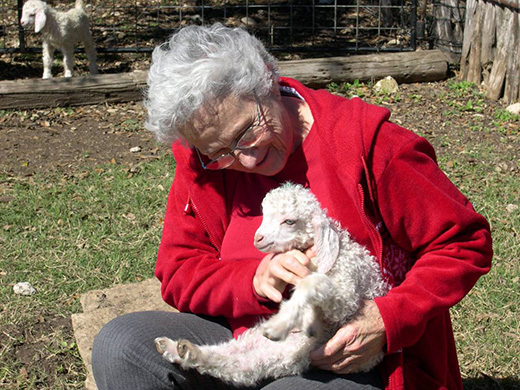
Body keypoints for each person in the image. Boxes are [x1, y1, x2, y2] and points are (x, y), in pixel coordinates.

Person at [91, 23, 493, 390]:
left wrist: (388, 319)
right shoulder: (202, 160)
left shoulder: (369, 144)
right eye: (220, 152)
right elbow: (178, 270)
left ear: (267, 80)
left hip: (348, 352)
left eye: (247, 131)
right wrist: (252, 280)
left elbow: (463, 242)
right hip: (246, 335)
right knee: (122, 346)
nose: (245, 160)